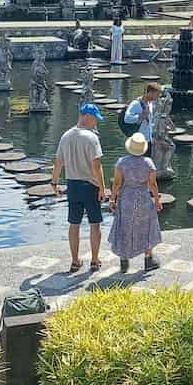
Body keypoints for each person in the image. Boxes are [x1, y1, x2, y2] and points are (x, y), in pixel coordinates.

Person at [51, 104, 107, 273]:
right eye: (95, 118)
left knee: (73, 224)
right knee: (95, 224)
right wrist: (102, 188)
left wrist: (54, 183)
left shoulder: (66, 136)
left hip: (72, 185)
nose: (96, 122)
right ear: (87, 116)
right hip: (90, 185)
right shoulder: (91, 138)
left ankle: (75, 262)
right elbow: (97, 166)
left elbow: (58, 162)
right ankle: (95, 261)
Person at [108, 132, 163, 274]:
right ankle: (148, 259)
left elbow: (117, 183)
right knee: (147, 227)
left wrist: (112, 199)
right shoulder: (148, 163)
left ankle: (124, 261)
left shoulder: (121, 162)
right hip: (143, 198)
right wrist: (157, 200)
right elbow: (153, 184)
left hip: (126, 198)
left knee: (124, 227)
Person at [122, 82, 161, 152]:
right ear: (150, 93)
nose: (157, 97)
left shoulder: (150, 103)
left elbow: (149, 122)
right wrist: (141, 115)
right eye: (157, 94)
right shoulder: (136, 104)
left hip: (148, 141)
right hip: (138, 142)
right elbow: (127, 119)